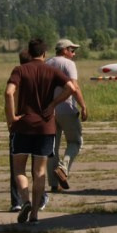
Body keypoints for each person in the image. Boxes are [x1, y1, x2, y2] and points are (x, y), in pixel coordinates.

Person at [6, 38, 77, 225]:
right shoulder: (51, 71)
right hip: (45, 127)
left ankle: (25, 201)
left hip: (23, 125)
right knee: (39, 172)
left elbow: (8, 92)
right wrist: (53, 104)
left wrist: (11, 117)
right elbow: (71, 88)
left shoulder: (20, 70)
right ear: (44, 54)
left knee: (19, 169)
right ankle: (35, 214)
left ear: (29, 53)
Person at [45, 38, 89, 194]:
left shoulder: (47, 63)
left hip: (50, 111)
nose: (74, 53)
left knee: (52, 148)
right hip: (67, 109)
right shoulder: (68, 64)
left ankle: (53, 184)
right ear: (64, 50)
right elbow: (74, 87)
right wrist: (83, 106)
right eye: (72, 50)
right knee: (76, 141)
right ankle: (63, 168)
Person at [8, 49, 31, 212]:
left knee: (16, 167)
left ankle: (17, 201)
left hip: (18, 122)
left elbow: (9, 95)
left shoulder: (16, 76)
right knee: (38, 166)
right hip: (37, 123)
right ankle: (39, 198)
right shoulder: (36, 75)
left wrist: (11, 118)